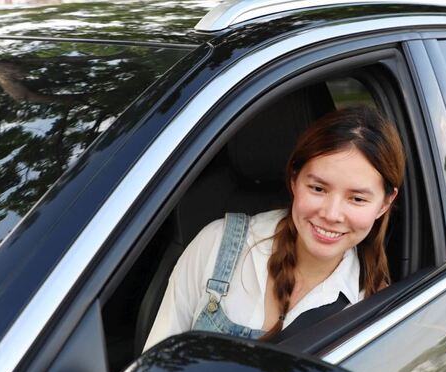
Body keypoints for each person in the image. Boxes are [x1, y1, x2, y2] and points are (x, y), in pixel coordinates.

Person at [143, 105, 404, 352]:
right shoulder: (217, 244)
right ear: (294, 180)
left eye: (357, 199)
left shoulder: (370, 308)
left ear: (384, 204)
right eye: (317, 188)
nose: (331, 214)